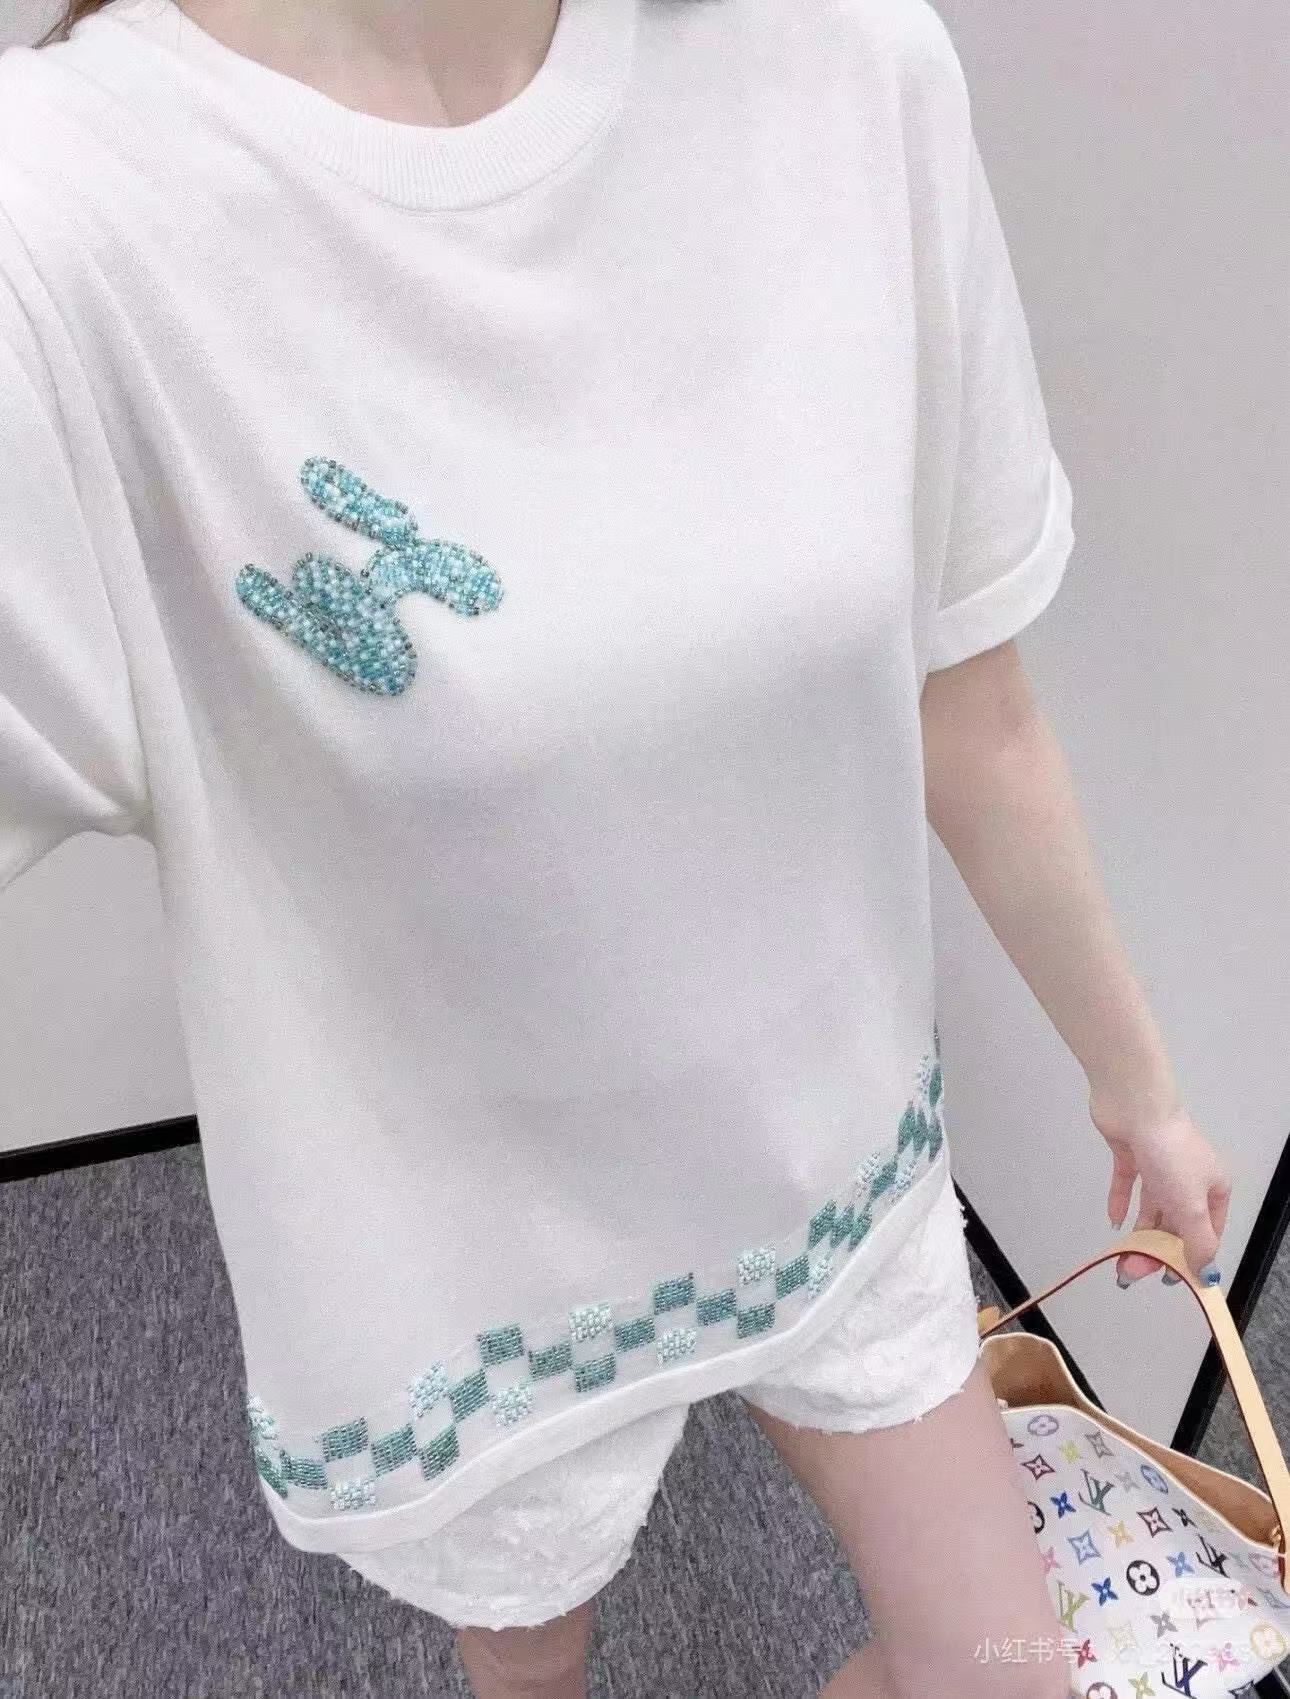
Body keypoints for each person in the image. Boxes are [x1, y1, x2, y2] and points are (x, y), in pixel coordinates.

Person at [1, 1, 1232, 1696]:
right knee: (530, 1667)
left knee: (1004, 1670)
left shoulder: (844, 67)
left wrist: (1134, 1081)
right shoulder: (67, 217)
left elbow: (970, 698)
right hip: (468, 1276)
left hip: (830, 1158)